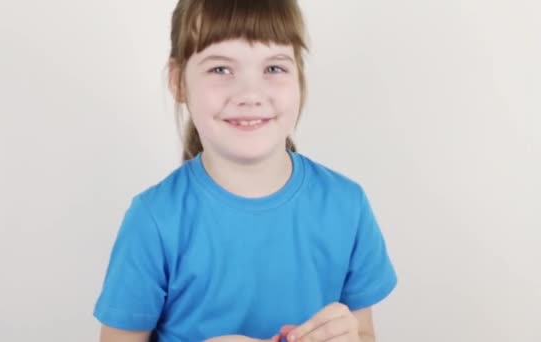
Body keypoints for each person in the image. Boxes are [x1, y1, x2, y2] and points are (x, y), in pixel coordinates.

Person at [94, 0, 397, 341]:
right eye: (221, 69)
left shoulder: (347, 206)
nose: (250, 94)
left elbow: (365, 332)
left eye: (273, 69)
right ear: (179, 81)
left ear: (299, 75)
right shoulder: (153, 220)